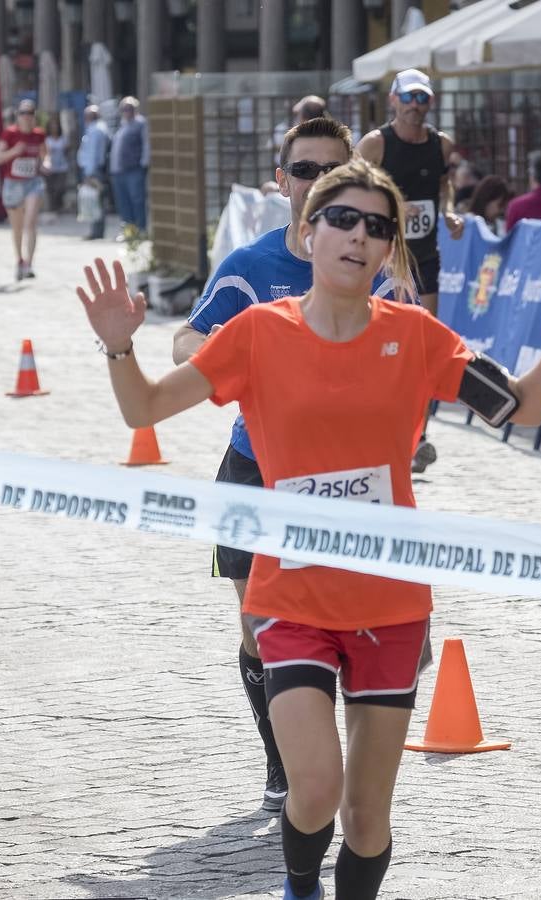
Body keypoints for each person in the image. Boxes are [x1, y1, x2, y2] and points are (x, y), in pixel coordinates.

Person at [77, 157, 541, 900]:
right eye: (341, 218)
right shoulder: (255, 334)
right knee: (316, 792)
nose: (357, 237)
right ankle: (301, 889)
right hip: (289, 599)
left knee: (367, 819)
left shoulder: (418, 336)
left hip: (391, 604)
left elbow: (519, 408)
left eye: (377, 226)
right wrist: (118, 346)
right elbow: (143, 410)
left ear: (389, 248)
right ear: (308, 230)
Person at [171, 117, 400, 816]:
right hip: (251, 469)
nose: (311, 184)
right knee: (255, 626)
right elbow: (188, 339)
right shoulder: (250, 264)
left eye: (328, 170)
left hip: (337, 482)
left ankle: (325, 773)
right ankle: (282, 763)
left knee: (331, 630)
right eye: (301, 171)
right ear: (281, 181)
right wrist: (226, 354)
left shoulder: (370, 265)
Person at [357, 67, 466, 473]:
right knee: (373, 341)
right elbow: (351, 189)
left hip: (424, 258)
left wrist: (450, 213)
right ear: (394, 100)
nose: (416, 107)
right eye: (410, 98)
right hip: (381, 259)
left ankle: (417, 435)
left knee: (420, 348)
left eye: (424, 99)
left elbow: (443, 187)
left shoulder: (441, 145)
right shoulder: (374, 145)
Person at [0, 99, 48, 280]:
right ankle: (19, 260)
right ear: (18, 116)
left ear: (34, 116)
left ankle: (30, 264)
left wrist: (47, 165)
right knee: (17, 227)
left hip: (33, 182)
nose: (26, 117)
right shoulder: (10, 134)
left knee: (30, 221)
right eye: (23, 113)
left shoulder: (39, 134)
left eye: (30, 113)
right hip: (13, 183)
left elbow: (44, 156)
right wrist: (14, 151)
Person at [110, 96, 150, 241]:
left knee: (137, 200)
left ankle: (141, 230)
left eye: (129, 108)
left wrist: (144, 164)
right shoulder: (122, 125)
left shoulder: (140, 123)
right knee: (123, 202)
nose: (126, 111)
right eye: (123, 109)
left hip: (133, 169)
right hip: (118, 171)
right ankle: (128, 231)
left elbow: (146, 144)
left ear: (135, 109)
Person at [76, 105, 111, 241]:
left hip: (94, 171)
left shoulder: (96, 130)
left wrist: (89, 174)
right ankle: (95, 230)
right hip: (94, 170)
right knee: (94, 200)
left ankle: (97, 232)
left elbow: (93, 154)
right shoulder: (96, 128)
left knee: (96, 201)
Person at [44, 116, 70, 215]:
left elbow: (67, 151)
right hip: (50, 167)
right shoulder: (47, 139)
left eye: (55, 126)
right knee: (51, 188)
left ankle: (59, 205)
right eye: (52, 127)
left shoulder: (63, 139)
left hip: (62, 166)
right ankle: (53, 207)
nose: (54, 128)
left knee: (60, 187)